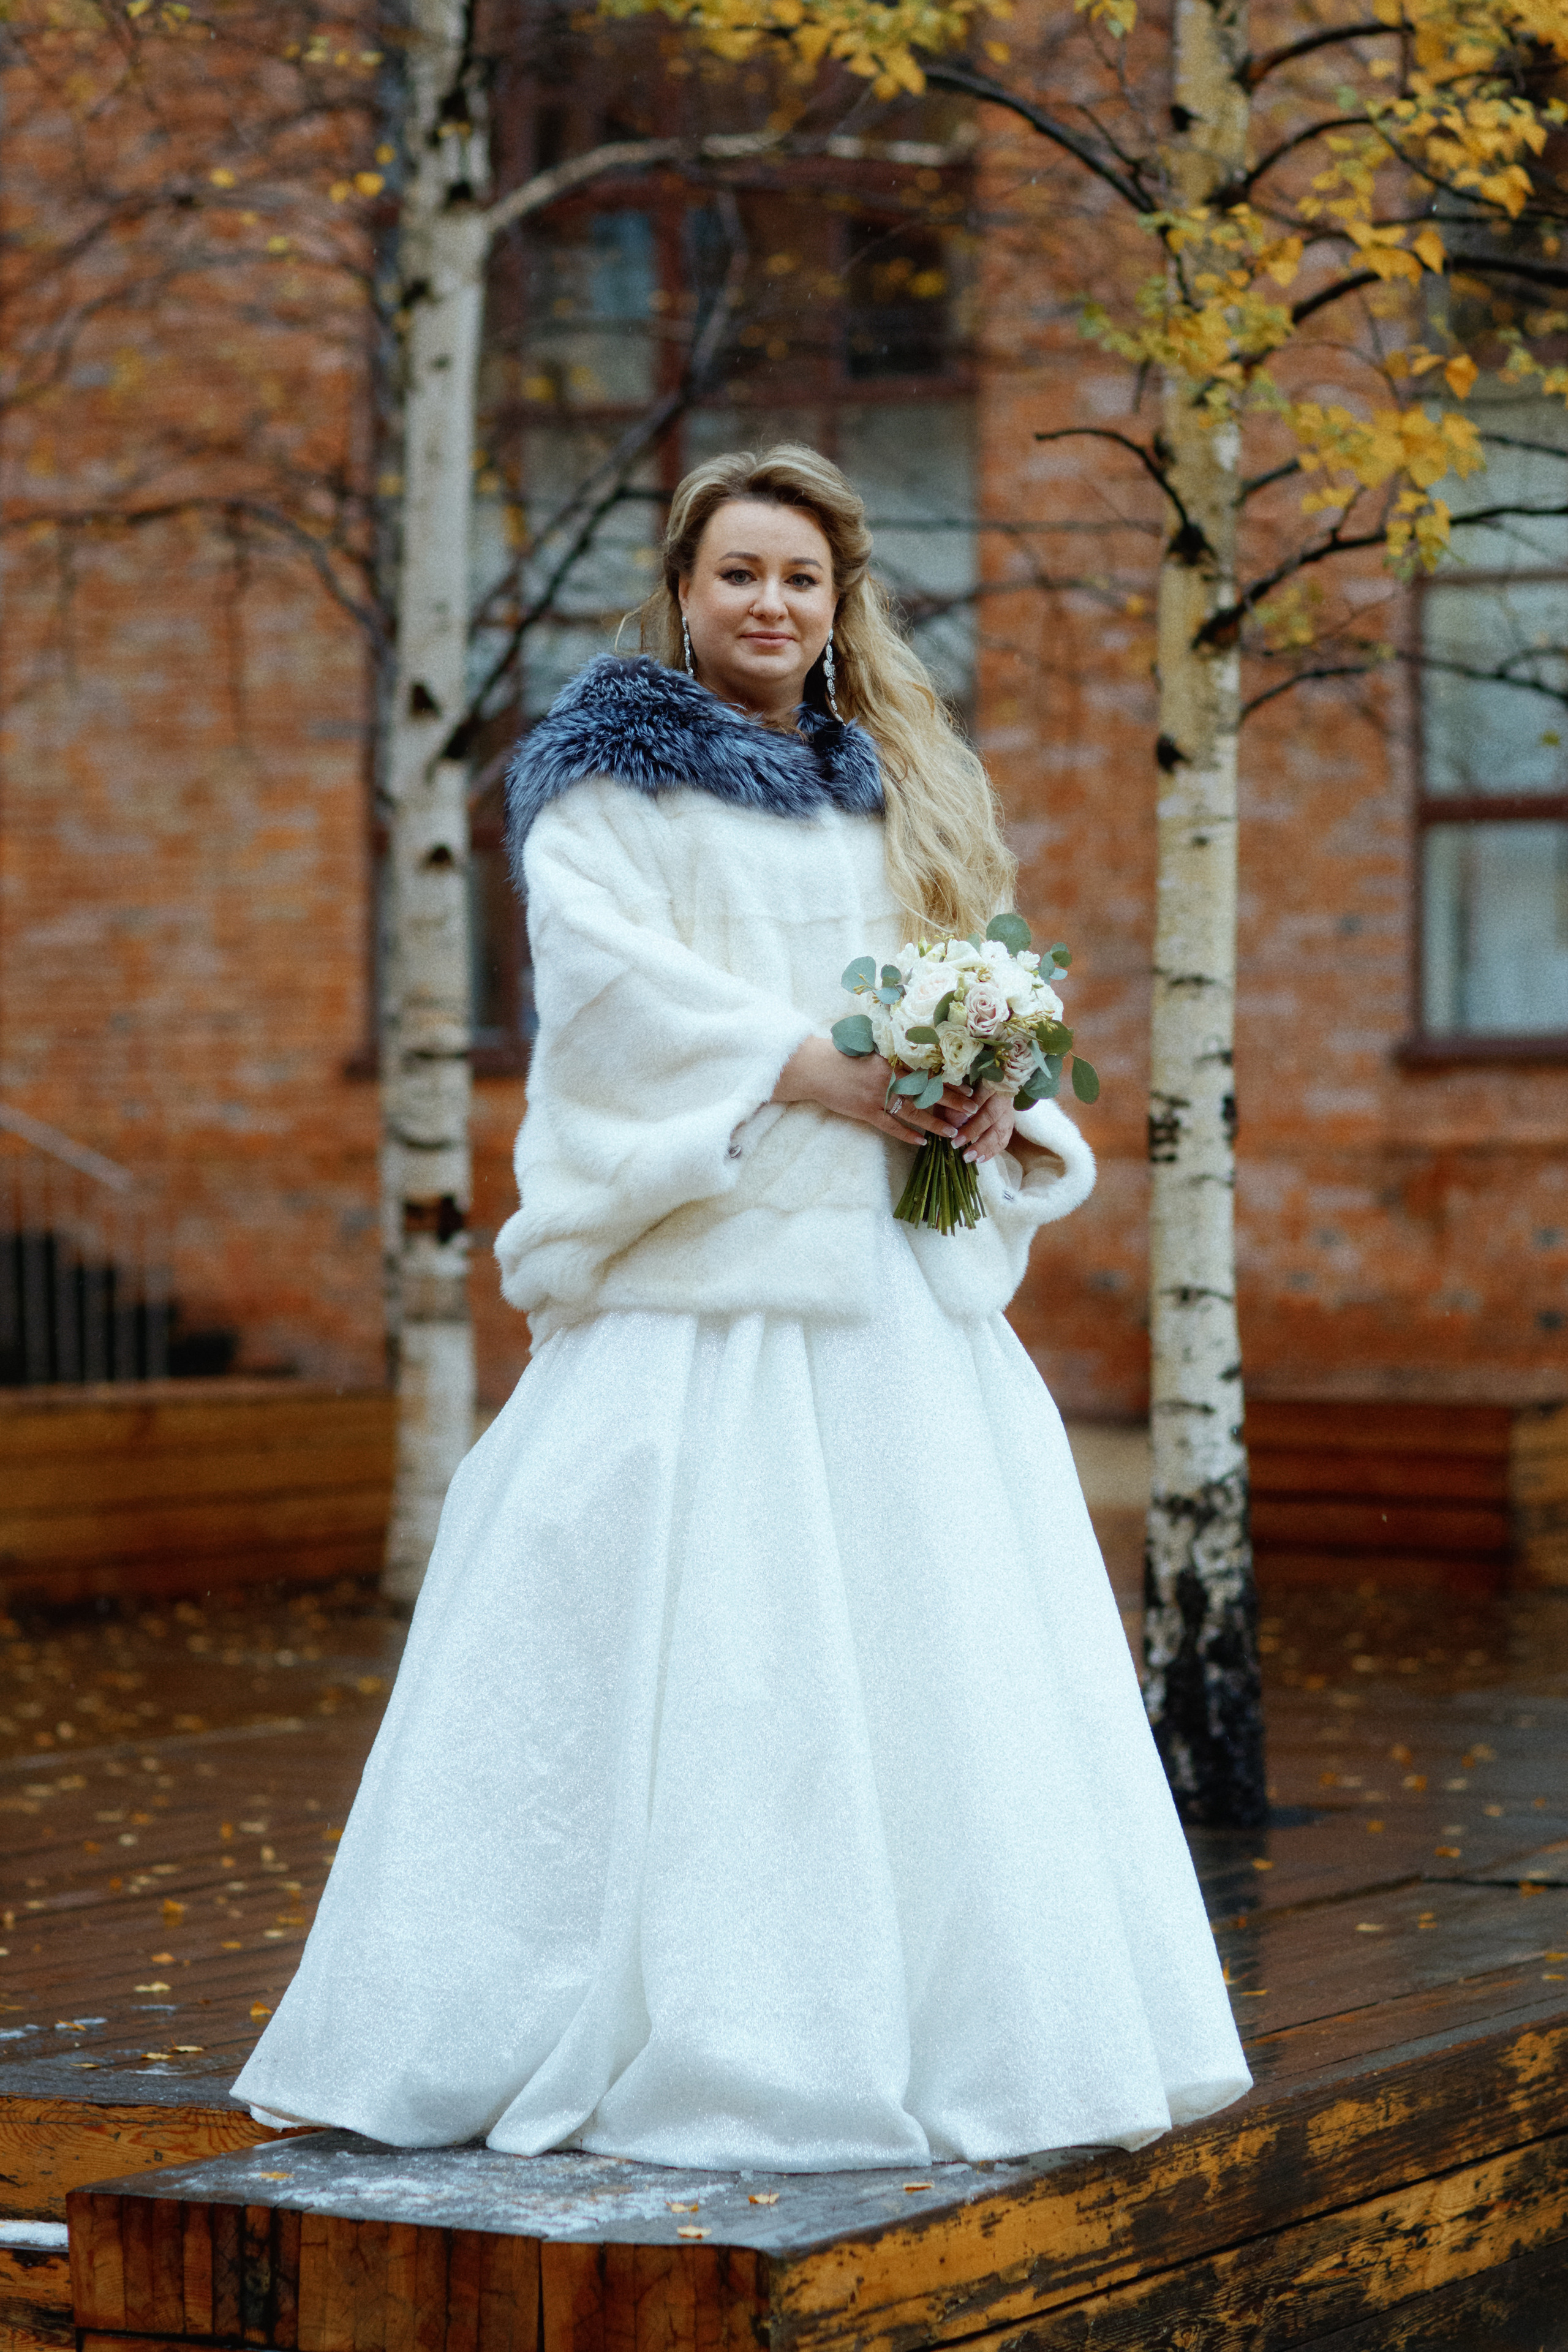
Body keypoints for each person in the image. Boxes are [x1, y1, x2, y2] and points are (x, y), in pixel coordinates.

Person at [233, 444, 1250, 2169]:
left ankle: (945, 2032)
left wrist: (986, 1099)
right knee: (709, 1677)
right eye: (741, 574)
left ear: (840, 605)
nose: (772, 605)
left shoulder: (898, 788)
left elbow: (966, 980)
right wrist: (812, 1069)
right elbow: (611, 992)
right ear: (684, 591)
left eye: (802, 579)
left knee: (934, 1683)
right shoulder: (603, 785)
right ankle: (671, 2023)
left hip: (896, 1310)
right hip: (702, 1290)